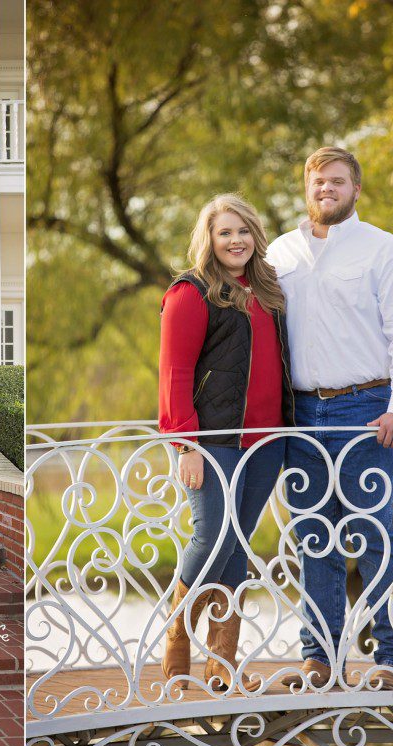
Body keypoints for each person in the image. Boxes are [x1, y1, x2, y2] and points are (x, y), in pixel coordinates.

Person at [266, 146, 393, 691]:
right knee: (313, 534)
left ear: (356, 189)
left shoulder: (385, 251)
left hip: (366, 409)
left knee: (374, 530)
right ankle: (319, 659)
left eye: (337, 181)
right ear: (306, 189)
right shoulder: (281, 254)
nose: (326, 189)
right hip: (300, 411)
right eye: (317, 182)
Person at [158, 194, 294, 693]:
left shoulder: (270, 292)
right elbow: (174, 374)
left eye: (243, 232)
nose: (235, 241)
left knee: (235, 545)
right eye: (224, 233)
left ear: (255, 236)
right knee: (212, 535)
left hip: (266, 443)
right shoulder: (191, 293)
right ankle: (176, 634)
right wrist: (184, 444)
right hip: (212, 443)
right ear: (209, 241)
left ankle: (222, 667)